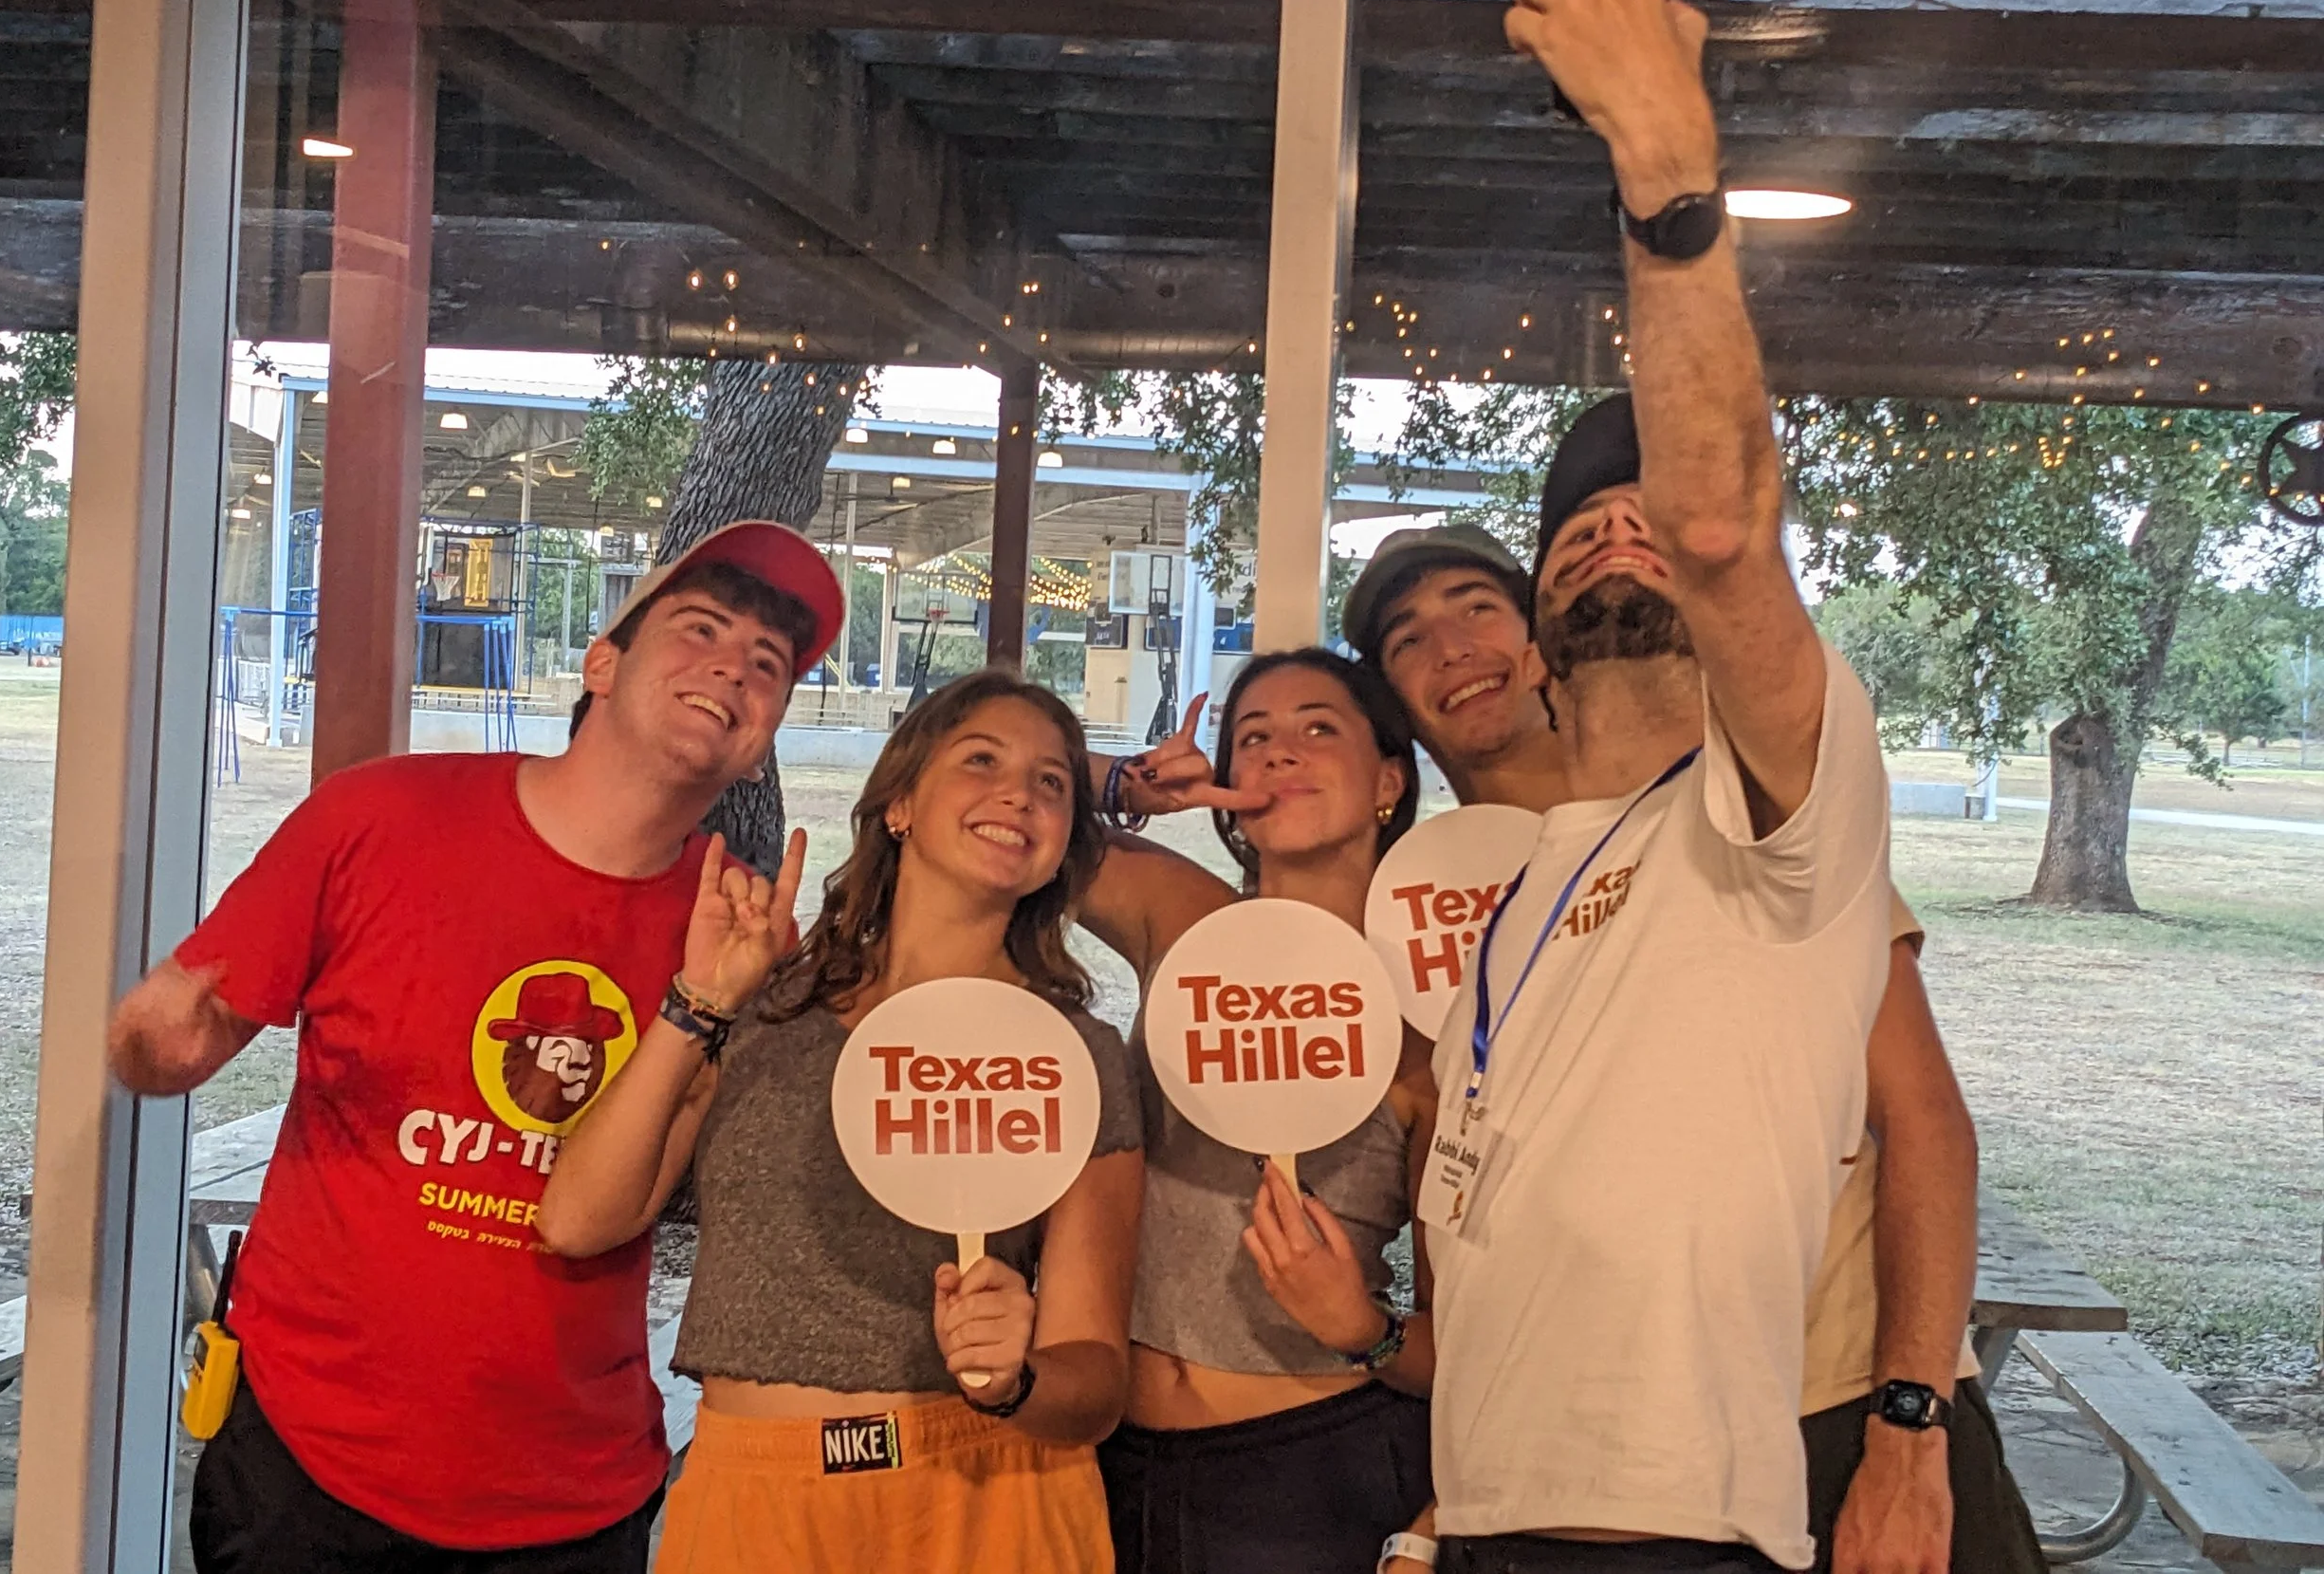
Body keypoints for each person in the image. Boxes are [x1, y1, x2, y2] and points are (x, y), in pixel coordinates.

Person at [1356, 0, 1895, 1574]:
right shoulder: (1518, 891)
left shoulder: (1778, 813)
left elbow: (1724, 523)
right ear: (1533, 633)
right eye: (1578, 529)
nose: (1622, 532)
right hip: (1494, 1514)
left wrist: (1666, 177)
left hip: (1668, 1531)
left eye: (1643, 514)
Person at [107, 521, 845, 1574]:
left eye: (768, 663)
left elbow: (609, 1216)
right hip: (309, 1462)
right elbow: (169, 1036)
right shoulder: (381, 819)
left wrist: (713, 1006)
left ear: (762, 737)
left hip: (569, 1494)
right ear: (601, 664)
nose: (733, 666)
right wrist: (155, 1041)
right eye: (700, 629)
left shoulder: (737, 936)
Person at [1348, 519, 2040, 1574]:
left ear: (1544, 643)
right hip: (1611, 1477)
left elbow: (1924, 1122)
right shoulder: (1435, 926)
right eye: (1406, 639)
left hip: (1832, 1404)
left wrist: (1909, 1423)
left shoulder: (1741, 816)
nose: (1449, 648)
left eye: (1477, 608)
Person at [536, 669, 1144, 1574]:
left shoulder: (1075, 1055)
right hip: (753, 1498)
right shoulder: (765, 1005)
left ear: (1063, 846)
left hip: (988, 1496)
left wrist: (1016, 1380)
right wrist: (699, 1000)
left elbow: (1094, 1382)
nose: (1020, 793)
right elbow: (579, 1218)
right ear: (899, 803)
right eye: (982, 759)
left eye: (1051, 781)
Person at [1078, 650, 1440, 1573]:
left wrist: (1362, 1327)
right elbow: (972, 788)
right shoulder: (1184, 916)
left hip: (1310, 1478)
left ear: (1388, 781)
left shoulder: (1423, 1024)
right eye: (1253, 737)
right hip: (1107, 1460)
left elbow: (1468, 1353)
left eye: (1319, 727)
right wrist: (1127, 785)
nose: (1282, 752)